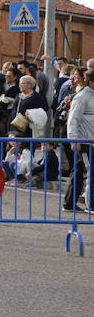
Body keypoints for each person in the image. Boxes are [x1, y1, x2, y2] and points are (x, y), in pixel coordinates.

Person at [64, 70, 94, 211]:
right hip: (84, 142)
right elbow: (73, 120)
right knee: (89, 172)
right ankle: (91, 204)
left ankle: (69, 203)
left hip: (91, 141)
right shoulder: (82, 97)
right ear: (91, 82)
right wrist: (74, 141)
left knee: (78, 171)